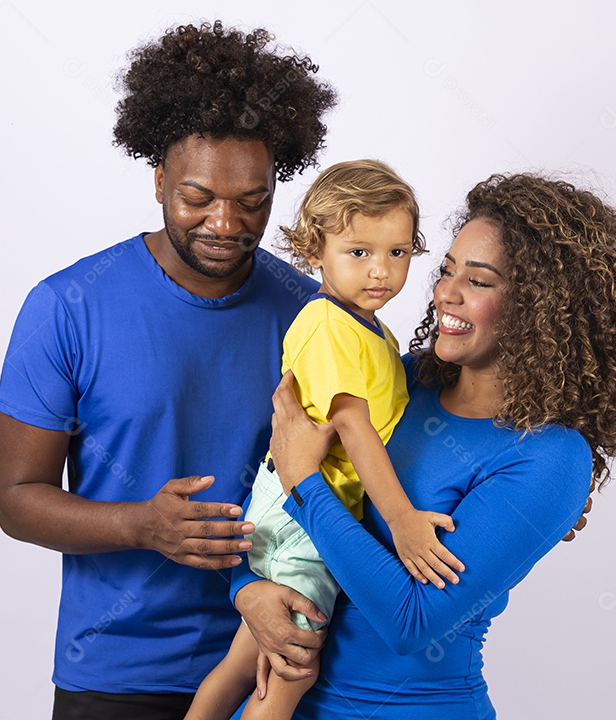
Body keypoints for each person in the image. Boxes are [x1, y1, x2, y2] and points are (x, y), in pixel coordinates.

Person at [0, 21, 339, 719]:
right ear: (157, 179)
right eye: (198, 196)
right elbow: (17, 497)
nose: (226, 222)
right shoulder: (68, 307)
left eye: (252, 200)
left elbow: (386, 431)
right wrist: (139, 525)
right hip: (117, 675)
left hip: (276, 662)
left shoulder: (312, 313)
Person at [239, 172, 616, 718]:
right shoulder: (404, 382)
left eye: (479, 280)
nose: (445, 291)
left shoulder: (549, 458)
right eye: (446, 270)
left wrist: (307, 485)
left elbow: (410, 621)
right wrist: (246, 590)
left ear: (539, 307)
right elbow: (272, 499)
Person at [186, 160, 463, 720]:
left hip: (295, 504)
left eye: (398, 252)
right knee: (293, 668)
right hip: (302, 513)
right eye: (358, 252)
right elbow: (354, 427)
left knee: (244, 663)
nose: (380, 270)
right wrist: (403, 519)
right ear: (315, 249)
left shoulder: (369, 326)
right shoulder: (328, 326)